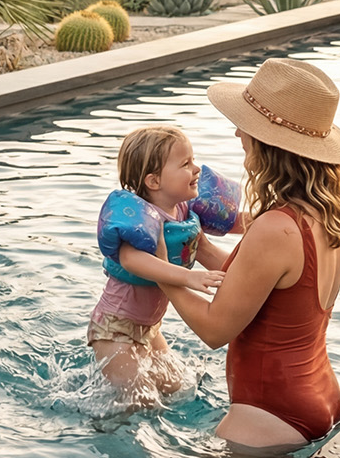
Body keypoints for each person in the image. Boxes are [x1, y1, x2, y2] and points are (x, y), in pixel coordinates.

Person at [159, 58, 340, 449]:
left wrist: (159, 267)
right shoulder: (326, 214)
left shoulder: (275, 228)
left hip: (268, 417)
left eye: (246, 126)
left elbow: (215, 329)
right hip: (319, 397)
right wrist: (196, 246)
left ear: (271, 144)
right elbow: (262, 290)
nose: (237, 132)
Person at [88, 126, 243, 401]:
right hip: (115, 330)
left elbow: (216, 244)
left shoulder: (184, 212)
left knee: (178, 387)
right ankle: (99, 428)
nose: (197, 169)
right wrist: (187, 278)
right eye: (185, 163)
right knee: (141, 401)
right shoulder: (139, 220)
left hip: (150, 329)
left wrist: (247, 276)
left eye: (193, 160)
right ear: (154, 181)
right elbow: (131, 259)